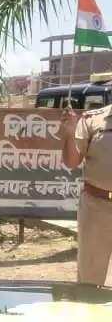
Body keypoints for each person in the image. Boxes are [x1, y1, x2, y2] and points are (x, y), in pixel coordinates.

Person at [60, 103, 112, 286]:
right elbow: (71, 161)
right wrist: (69, 132)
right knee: (90, 277)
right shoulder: (92, 120)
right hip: (97, 206)